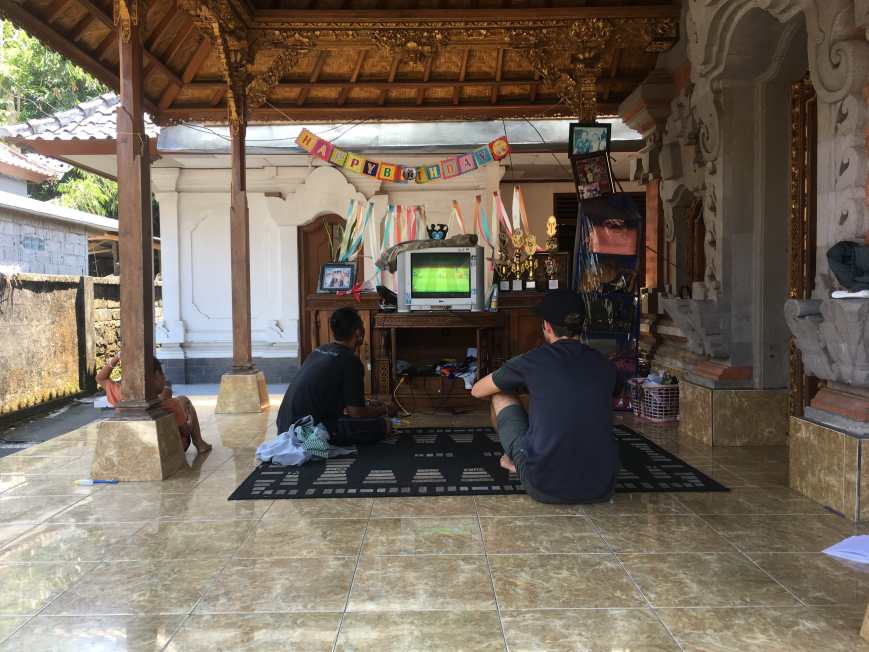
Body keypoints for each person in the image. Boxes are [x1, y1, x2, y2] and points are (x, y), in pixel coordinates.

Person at [471, 290, 619, 504]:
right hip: (602, 486)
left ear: (547, 326)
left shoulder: (531, 361)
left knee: (499, 393)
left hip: (542, 483)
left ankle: (514, 457)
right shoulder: (605, 364)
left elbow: (478, 390)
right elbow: (612, 393)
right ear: (581, 325)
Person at [276, 307, 393, 445]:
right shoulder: (351, 361)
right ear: (358, 333)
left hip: (283, 428)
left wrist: (367, 405)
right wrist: (384, 409)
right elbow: (356, 413)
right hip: (306, 437)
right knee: (384, 425)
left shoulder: (319, 351)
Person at [96, 353, 212, 454]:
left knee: (170, 394)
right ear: (157, 375)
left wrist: (117, 358)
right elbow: (185, 431)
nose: (165, 379)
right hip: (168, 450)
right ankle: (199, 443)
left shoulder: (121, 394)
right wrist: (190, 423)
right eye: (163, 375)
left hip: (134, 450)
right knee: (184, 400)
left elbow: (100, 378)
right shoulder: (170, 404)